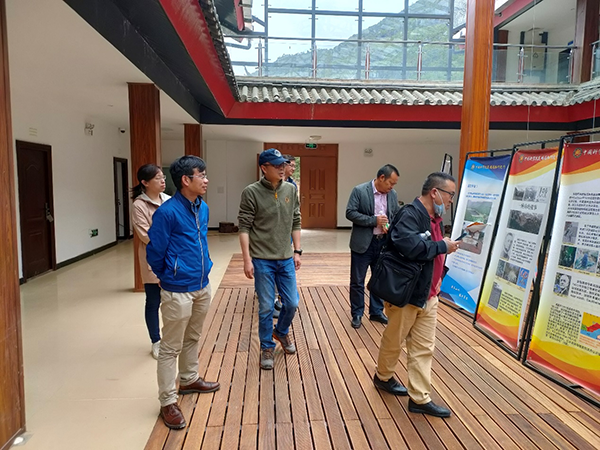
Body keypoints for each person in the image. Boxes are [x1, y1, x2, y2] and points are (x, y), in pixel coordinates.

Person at [373, 172, 459, 418]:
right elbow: (410, 247)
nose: (451, 200)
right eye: (450, 194)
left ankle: (419, 398)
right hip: (407, 294)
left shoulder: (436, 218)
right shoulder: (409, 214)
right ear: (435, 192)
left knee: (423, 348)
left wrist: (440, 273)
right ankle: (383, 377)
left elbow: (432, 252)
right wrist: (442, 246)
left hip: (429, 295)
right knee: (394, 340)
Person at [146, 156, 220, 430]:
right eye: (202, 175)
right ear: (186, 180)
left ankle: (189, 379)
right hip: (177, 289)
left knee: (193, 337)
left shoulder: (203, 208)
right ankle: (167, 401)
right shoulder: (167, 213)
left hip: (202, 284)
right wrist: (168, 275)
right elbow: (155, 251)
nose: (206, 180)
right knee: (170, 347)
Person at [238, 148, 302, 370]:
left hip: (285, 257)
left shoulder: (290, 189)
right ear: (264, 168)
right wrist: (247, 260)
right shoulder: (251, 192)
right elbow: (244, 227)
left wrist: (297, 251)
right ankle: (267, 346)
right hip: (262, 259)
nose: (282, 168)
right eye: (276, 165)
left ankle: (281, 332)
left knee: (292, 303)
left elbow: (296, 220)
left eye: (283, 164)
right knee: (266, 306)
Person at [346, 164, 400, 329]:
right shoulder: (360, 190)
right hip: (363, 244)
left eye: (394, 184)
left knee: (379, 279)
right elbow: (350, 213)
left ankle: (376, 311)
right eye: (390, 183)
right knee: (358, 280)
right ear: (381, 178)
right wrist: (373, 221)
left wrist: (390, 226)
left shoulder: (392, 195)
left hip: (382, 243)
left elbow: (395, 215)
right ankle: (357, 313)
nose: (392, 187)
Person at [131, 164, 170, 360]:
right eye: (158, 178)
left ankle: (171, 338)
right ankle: (156, 340)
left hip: (173, 258)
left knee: (173, 300)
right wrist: (171, 242)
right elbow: (146, 235)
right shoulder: (139, 205)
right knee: (153, 300)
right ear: (145, 183)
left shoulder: (169, 200)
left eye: (163, 177)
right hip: (152, 258)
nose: (163, 181)